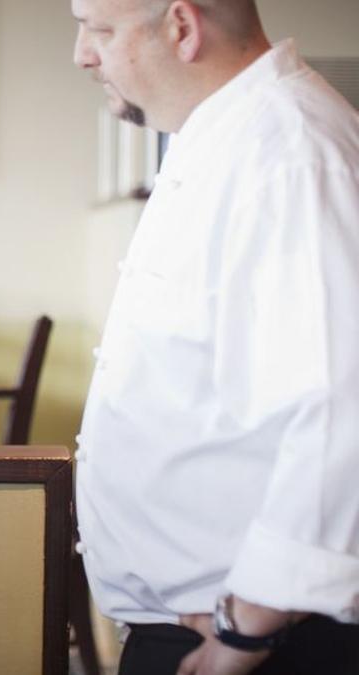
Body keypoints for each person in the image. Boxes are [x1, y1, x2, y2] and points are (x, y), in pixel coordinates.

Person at [71, 0, 359, 673]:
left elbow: (341, 400)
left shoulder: (292, 150)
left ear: (181, 26)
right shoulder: (222, 140)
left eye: (100, 29)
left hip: (263, 640)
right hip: (209, 622)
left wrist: (248, 627)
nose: (82, 54)